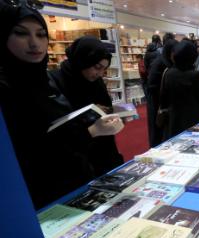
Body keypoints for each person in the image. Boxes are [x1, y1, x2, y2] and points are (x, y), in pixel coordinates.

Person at [0, 1, 123, 209]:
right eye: (21, 33)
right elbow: (32, 150)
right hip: (42, 196)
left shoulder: (44, 82)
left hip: (80, 178)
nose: (34, 43)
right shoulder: (11, 89)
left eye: (41, 34)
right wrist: (91, 131)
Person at [48, 36, 124, 177]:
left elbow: (107, 107)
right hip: (76, 159)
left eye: (104, 69)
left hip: (104, 152)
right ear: (83, 60)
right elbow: (60, 127)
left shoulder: (97, 82)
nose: (100, 73)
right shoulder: (55, 81)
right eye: (97, 67)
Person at [160, 40, 199, 139]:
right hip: (193, 118)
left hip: (174, 118)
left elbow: (164, 97)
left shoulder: (168, 73)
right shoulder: (195, 75)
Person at [146, 39, 178, 146]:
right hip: (157, 102)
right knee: (157, 128)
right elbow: (151, 85)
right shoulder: (159, 63)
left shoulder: (168, 62)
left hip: (164, 102)